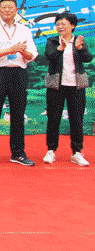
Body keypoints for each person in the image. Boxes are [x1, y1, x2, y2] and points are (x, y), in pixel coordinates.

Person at [0, 0, 38, 167]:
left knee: (18, 115)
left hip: (18, 74)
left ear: (16, 10)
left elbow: (32, 55)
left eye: (10, 7)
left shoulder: (24, 30)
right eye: (3, 7)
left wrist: (22, 52)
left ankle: (18, 153)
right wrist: (10, 50)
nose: (6, 10)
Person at [43, 12, 92, 167]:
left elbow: (88, 58)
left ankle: (77, 152)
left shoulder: (79, 40)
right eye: (57, 24)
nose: (60, 27)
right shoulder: (52, 40)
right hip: (56, 86)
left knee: (77, 119)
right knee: (53, 119)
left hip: (76, 86)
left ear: (72, 26)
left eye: (63, 24)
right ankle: (51, 150)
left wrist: (80, 48)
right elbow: (49, 56)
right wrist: (60, 48)